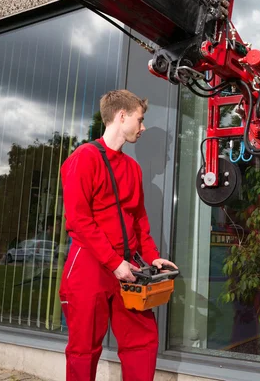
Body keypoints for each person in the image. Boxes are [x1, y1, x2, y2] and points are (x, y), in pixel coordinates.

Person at [59, 90, 178, 381]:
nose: (142, 126)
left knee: (143, 341)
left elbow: (139, 223)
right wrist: (114, 263)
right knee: (84, 349)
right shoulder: (84, 158)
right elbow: (79, 220)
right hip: (89, 265)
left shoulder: (132, 168)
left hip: (128, 267)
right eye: (140, 119)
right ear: (121, 116)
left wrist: (152, 258)